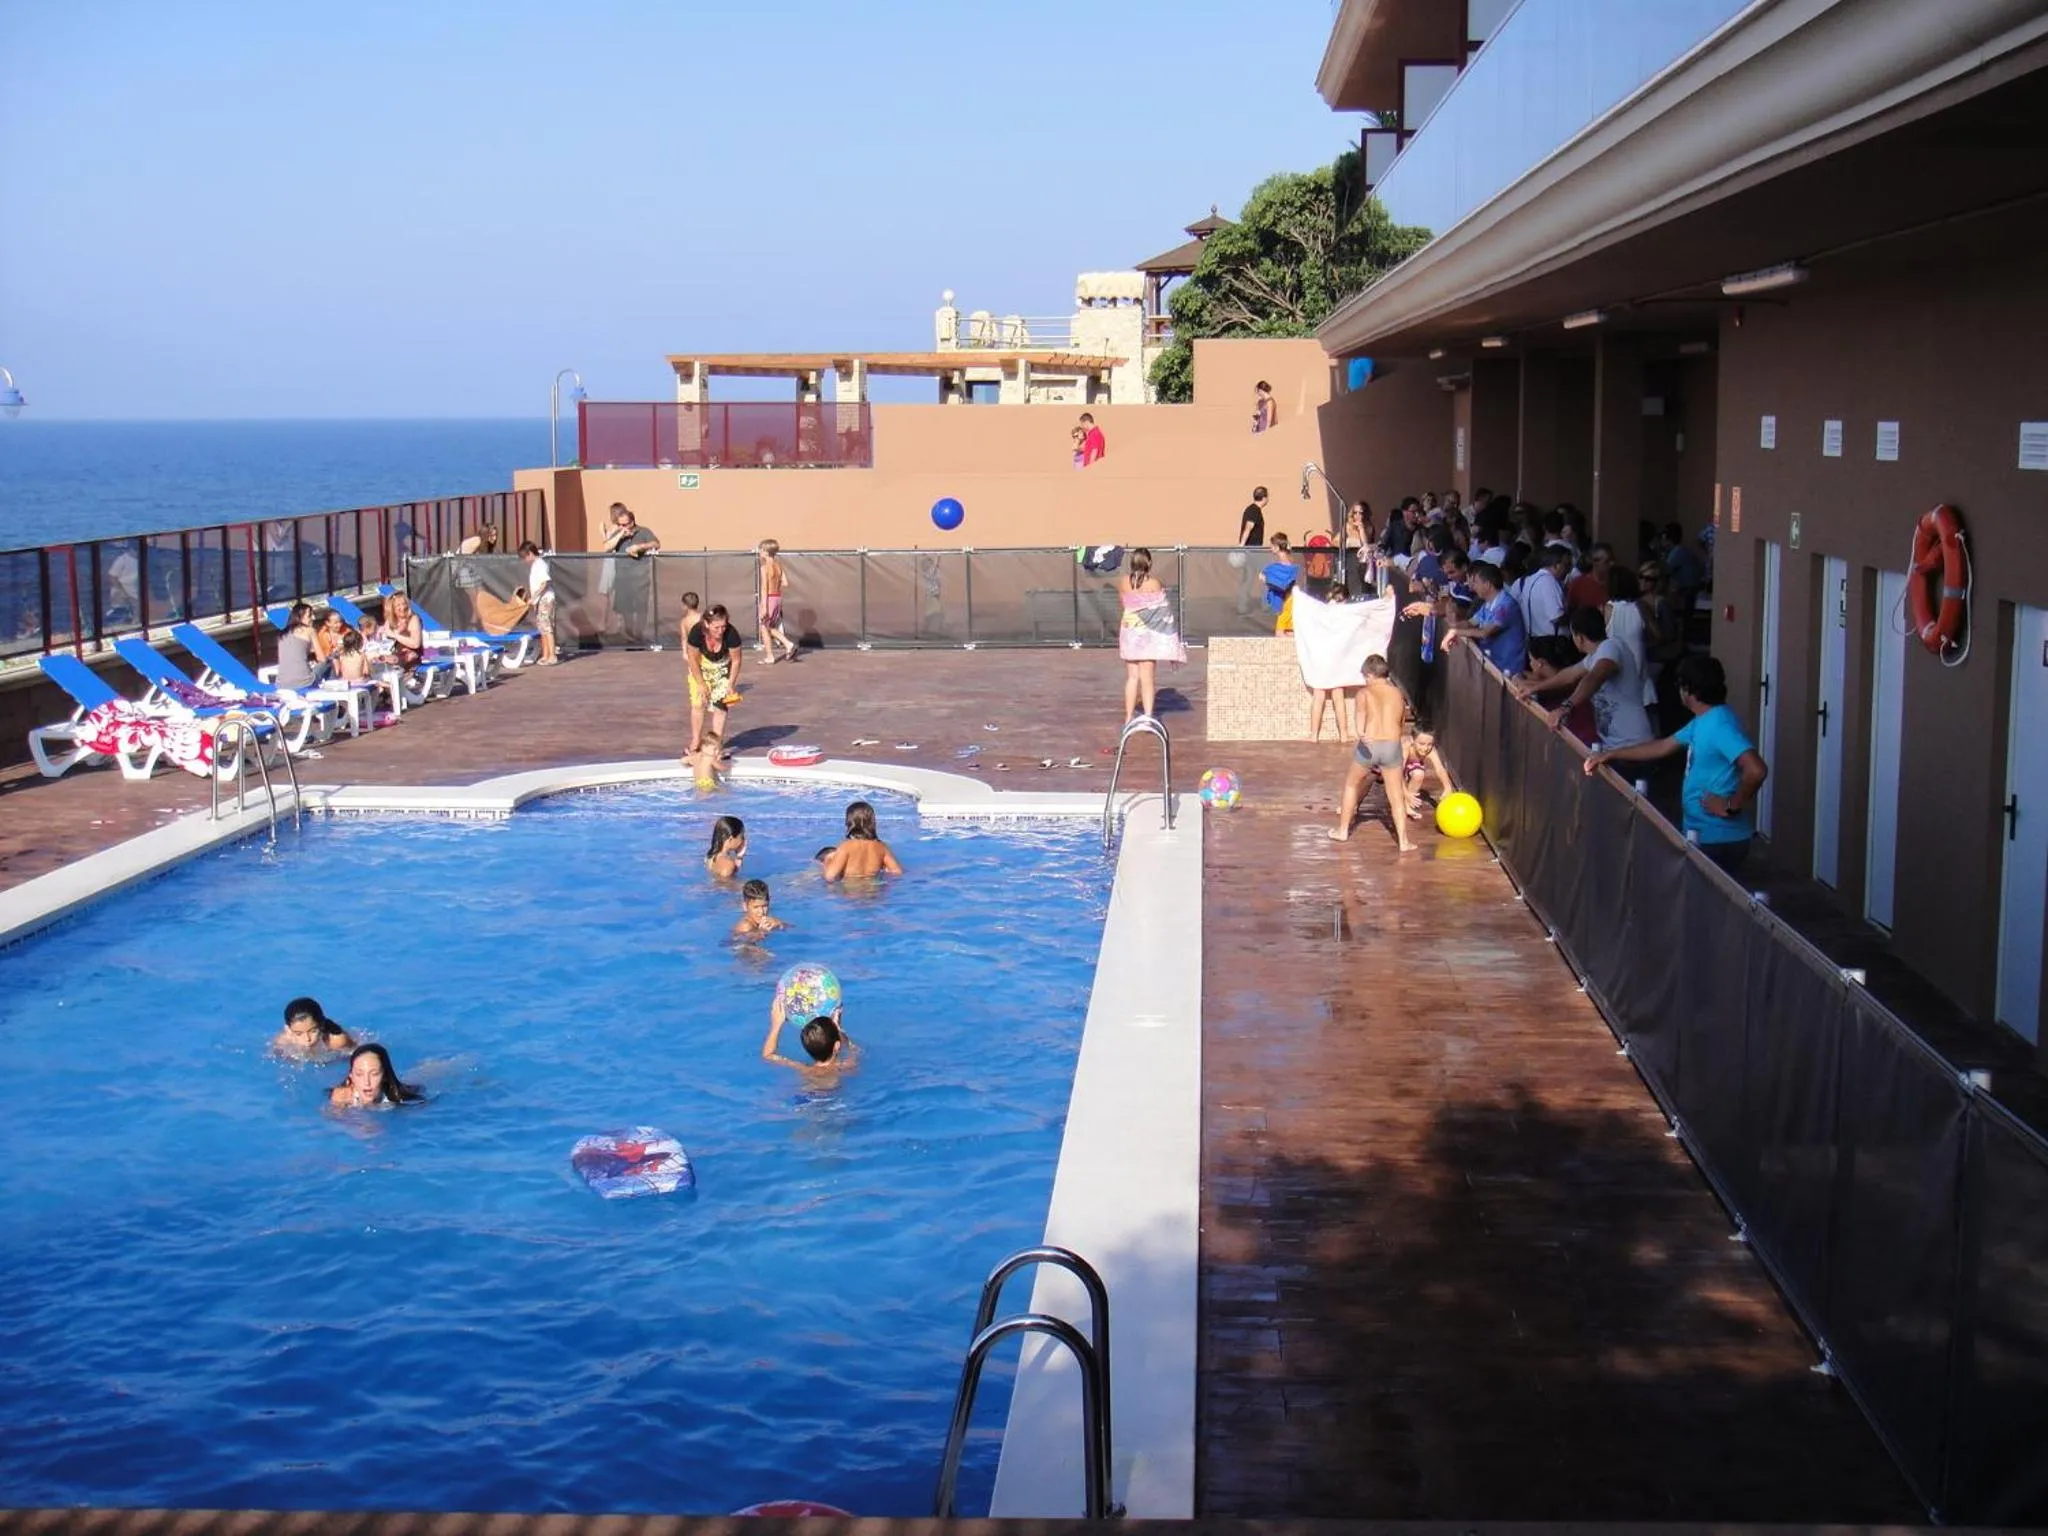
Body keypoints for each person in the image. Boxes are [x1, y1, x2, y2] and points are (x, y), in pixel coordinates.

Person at [1585, 654, 1769, 873]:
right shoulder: (1703, 719)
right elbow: (1662, 747)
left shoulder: (1720, 724)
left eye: (1680, 685)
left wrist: (1731, 805)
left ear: (1689, 690)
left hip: (1719, 840)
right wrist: (1612, 754)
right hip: (1701, 835)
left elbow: (1756, 769)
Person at [1515, 606, 1655, 750]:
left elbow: (1595, 677)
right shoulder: (1593, 658)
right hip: (1615, 748)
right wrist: (1534, 687)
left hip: (1634, 745)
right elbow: (1567, 676)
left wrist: (1566, 707)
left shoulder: (1611, 646)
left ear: (1579, 637)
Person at [1331, 656, 1416, 853]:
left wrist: (1360, 733)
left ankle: (1343, 831)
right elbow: (1401, 721)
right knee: (1395, 796)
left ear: (1370, 675)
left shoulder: (1364, 693)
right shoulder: (1397, 693)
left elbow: (1360, 718)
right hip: (1391, 746)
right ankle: (1404, 842)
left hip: (1370, 745)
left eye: (1365, 677)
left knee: (1352, 784)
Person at [1117, 546, 1183, 722]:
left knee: (1132, 677)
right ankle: (1148, 717)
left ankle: (1128, 717)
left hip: (1129, 631)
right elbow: (1163, 611)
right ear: (1149, 563)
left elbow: (1124, 604)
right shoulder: (1155, 584)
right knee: (1147, 678)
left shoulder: (1123, 582)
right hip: (1148, 635)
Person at [684, 604, 744, 781]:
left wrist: (731, 684)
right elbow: (693, 659)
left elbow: (736, 660)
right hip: (702, 667)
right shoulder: (696, 633)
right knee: (698, 702)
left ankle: (716, 746)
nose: (721, 630)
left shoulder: (731, 635)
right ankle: (696, 741)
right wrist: (701, 684)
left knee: (720, 706)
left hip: (722, 668)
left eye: (723, 626)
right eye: (717, 627)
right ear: (707, 624)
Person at [1445, 561, 1528, 676]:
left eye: (1476, 582)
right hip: (1494, 666)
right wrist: (1453, 624)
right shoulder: (1488, 603)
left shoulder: (1506, 605)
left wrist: (1455, 631)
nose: (1473, 587)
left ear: (1487, 584)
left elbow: (1484, 632)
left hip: (1508, 670)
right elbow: (1470, 623)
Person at [600, 503, 660, 642]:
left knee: (640, 608)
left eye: (626, 524)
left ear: (632, 521)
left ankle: (638, 636)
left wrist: (640, 546)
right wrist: (620, 534)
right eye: (621, 525)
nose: (624, 527)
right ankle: (630, 635)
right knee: (625, 609)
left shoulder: (643, 531)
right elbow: (606, 547)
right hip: (623, 577)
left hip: (640, 578)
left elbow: (656, 544)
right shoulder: (618, 532)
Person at [761, 992, 856, 1076]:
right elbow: (854, 1050)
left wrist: (776, 1025)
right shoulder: (844, 1068)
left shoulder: (805, 1070)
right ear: (837, 1045)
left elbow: (768, 1055)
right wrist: (839, 1029)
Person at [822, 800, 903, 881]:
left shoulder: (846, 846)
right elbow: (897, 872)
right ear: (872, 822)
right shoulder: (881, 847)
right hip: (874, 891)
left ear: (849, 822)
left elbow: (830, 876)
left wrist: (827, 861)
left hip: (851, 891)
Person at [329, 1043, 424, 1108]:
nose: (367, 1082)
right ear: (351, 1076)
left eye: (374, 1074)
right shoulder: (342, 1097)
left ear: (385, 1076)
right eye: (359, 1074)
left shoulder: (399, 1100)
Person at [756, 539, 798, 665]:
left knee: (765, 627)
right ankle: (772, 654)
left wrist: (764, 606)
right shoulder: (778, 565)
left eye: (761, 550)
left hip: (769, 598)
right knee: (768, 627)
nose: (759, 552)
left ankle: (786, 645)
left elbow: (764, 587)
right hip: (777, 597)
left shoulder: (764, 567)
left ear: (766, 552)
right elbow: (785, 583)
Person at [518, 539, 559, 667]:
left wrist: (535, 596)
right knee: (542, 627)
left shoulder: (540, 564)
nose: (524, 560)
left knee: (546, 627)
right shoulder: (536, 565)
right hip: (540, 600)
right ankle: (545, 654)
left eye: (525, 557)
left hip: (545, 598)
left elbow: (545, 582)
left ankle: (552, 655)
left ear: (530, 553)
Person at [1520, 543, 1573, 640]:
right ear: (1556, 565)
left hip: (1535, 639)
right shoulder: (1548, 581)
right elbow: (1557, 617)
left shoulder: (1531, 579)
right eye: (1567, 565)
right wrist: (1575, 616)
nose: (1569, 571)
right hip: (1551, 642)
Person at [275, 605, 331, 691]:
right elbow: (322, 659)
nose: (313, 618)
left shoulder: (282, 634)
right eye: (310, 615)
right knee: (329, 662)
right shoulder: (310, 630)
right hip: (304, 682)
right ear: (300, 617)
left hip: (281, 684)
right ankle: (335, 693)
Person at [274, 996, 353, 1055]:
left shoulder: (336, 1041)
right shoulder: (283, 1042)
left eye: (313, 1031)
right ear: (288, 1030)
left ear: (321, 1025)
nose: (307, 1039)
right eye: (298, 1034)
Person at [382, 593, 426, 671]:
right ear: (392, 608)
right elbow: (385, 635)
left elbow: (415, 644)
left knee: (403, 657)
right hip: (393, 654)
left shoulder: (413, 619)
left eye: (404, 604)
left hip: (410, 657)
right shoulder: (390, 621)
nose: (402, 607)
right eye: (398, 605)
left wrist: (395, 635)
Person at [1567, 542, 1613, 612]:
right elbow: (1571, 609)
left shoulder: (1617, 584)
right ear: (1594, 562)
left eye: (1612, 560)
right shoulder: (1578, 584)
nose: (1612, 564)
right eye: (1607, 561)